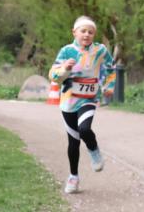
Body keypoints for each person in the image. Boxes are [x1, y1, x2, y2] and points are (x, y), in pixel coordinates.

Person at [49, 16, 115, 194]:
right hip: (69, 100)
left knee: (85, 129)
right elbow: (53, 76)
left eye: (91, 32)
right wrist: (65, 69)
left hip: (88, 98)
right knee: (73, 142)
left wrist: (109, 86)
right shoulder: (66, 51)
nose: (87, 34)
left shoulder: (100, 50)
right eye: (83, 31)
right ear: (74, 32)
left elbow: (110, 67)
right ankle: (73, 177)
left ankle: (94, 150)